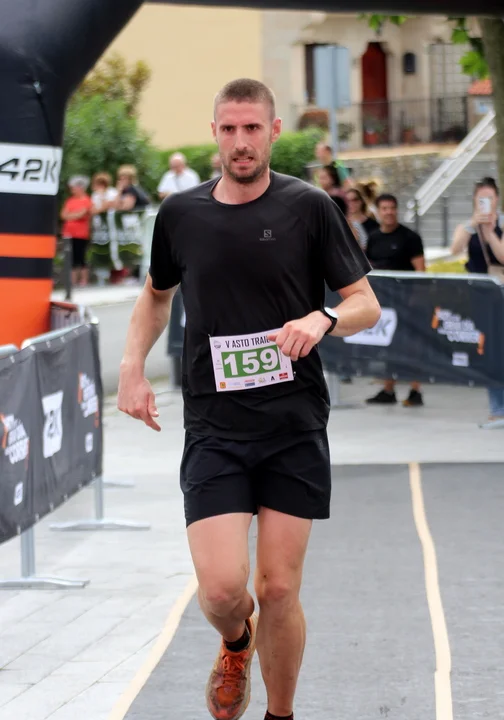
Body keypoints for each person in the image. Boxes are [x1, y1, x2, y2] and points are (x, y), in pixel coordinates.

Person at [117, 78, 381, 720]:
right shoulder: (180, 214)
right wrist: (131, 368)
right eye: (229, 129)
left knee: (279, 587)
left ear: (273, 131)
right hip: (215, 428)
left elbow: (366, 305)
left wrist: (322, 318)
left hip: (293, 424)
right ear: (214, 133)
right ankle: (237, 642)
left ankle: (279, 714)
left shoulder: (309, 207)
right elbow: (155, 295)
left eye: (252, 128)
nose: (241, 141)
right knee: (221, 590)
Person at [451, 176, 504, 421]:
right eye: (481, 198)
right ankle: (497, 407)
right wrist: (474, 225)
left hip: (500, 291)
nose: (486, 203)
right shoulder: (468, 226)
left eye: (489, 198)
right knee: (490, 351)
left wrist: (490, 232)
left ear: (497, 199)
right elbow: (455, 249)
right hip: (480, 296)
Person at [365, 193, 426, 407]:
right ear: (378, 211)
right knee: (387, 345)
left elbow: (421, 271)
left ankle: (415, 390)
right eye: (384, 208)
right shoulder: (373, 238)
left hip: (407, 303)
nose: (389, 212)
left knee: (411, 348)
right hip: (383, 303)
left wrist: (415, 300)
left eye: (392, 208)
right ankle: (388, 390)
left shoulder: (411, 238)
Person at [60, 175, 92, 287]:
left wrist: (70, 215)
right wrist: (73, 215)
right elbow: (63, 215)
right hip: (68, 233)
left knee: (81, 257)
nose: (72, 189)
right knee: (71, 258)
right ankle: (72, 282)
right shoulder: (70, 200)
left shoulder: (86, 200)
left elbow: (82, 213)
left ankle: (83, 280)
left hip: (81, 234)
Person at [345, 186, 379, 251]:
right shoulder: (342, 224)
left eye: (355, 200)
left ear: (361, 201)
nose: (351, 203)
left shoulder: (373, 224)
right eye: (348, 201)